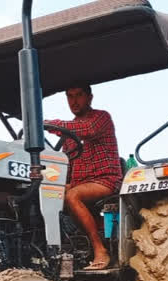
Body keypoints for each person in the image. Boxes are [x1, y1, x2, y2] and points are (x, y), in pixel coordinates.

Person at [45, 85, 121, 270]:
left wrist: (51, 124)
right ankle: (57, 250)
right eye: (70, 96)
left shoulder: (100, 118)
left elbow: (87, 129)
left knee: (73, 196)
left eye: (79, 95)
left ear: (90, 97)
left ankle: (100, 249)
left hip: (105, 180)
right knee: (48, 194)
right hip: (81, 183)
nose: (74, 101)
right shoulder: (69, 136)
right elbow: (67, 167)